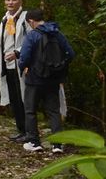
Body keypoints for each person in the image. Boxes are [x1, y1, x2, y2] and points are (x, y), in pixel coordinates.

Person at [18, 9, 75, 153]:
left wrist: (23, 67)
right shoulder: (57, 34)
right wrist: (60, 68)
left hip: (34, 79)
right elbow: (71, 53)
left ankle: (34, 142)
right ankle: (57, 145)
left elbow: (24, 57)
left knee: (30, 110)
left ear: (31, 21)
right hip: (53, 79)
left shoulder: (32, 36)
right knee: (54, 111)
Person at [0, 0, 30, 142]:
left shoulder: (25, 18)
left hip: (21, 65)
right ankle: (21, 130)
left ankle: (30, 132)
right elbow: (1, 44)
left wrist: (18, 53)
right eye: (7, 0)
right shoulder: (5, 19)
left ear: (20, 2)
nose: (10, 2)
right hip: (7, 65)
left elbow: (32, 40)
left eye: (13, 0)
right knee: (15, 99)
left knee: (24, 99)